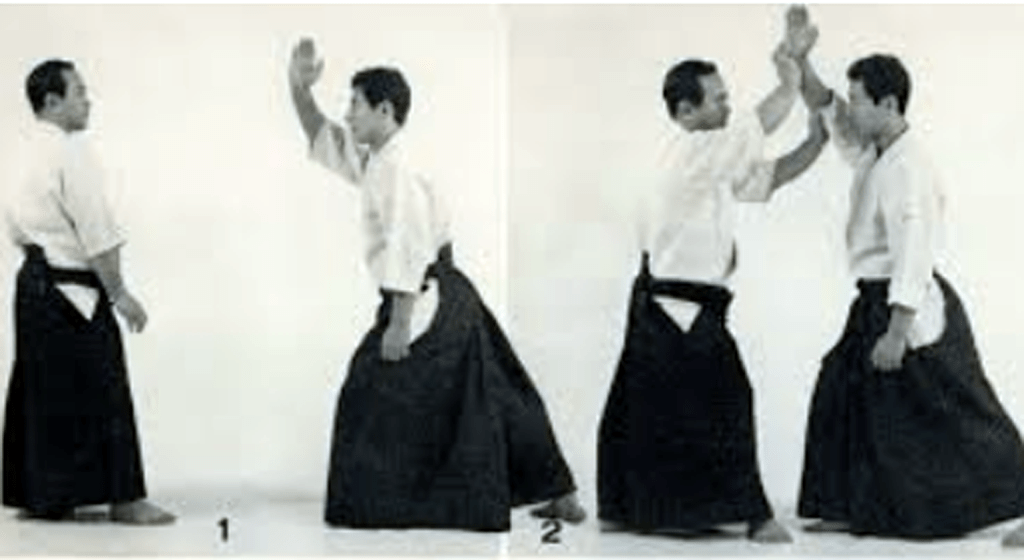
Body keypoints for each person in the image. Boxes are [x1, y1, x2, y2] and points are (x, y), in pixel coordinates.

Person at [287, 38, 585, 532]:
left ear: (384, 110)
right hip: (445, 290)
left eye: (355, 104)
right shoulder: (379, 159)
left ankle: (387, 501)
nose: (348, 114)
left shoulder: (396, 168)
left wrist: (400, 323)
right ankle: (562, 494)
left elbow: (410, 244)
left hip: (425, 292)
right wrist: (299, 89)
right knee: (499, 385)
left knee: (369, 386)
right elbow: (325, 138)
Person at [789, 6, 1024, 540]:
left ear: (888, 103)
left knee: (961, 410)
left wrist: (897, 331)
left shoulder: (908, 167)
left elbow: (915, 250)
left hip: (907, 303)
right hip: (872, 299)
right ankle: (849, 504)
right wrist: (800, 61)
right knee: (842, 389)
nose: (850, 108)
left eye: (859, 99)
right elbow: (827, 108)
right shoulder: (874, 150)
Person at [596, 12, 829, 543]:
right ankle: (754, 516)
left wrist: (815, 144)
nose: (727, 106)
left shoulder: (711, 161)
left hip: (681, 304)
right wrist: (789, 73)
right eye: (718, 99)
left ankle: (634, 507)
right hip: (676, 306)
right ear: (685, 111)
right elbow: (758, 124)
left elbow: (766, 178)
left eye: (727, 97)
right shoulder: (690, 152)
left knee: (654, 408)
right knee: (728, 398)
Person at [2, 59, 175, 525]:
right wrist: (120, 293)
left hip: (32, 285)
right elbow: (95, 230)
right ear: (52, 101)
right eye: (79, 91)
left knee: (43, 389)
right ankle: (125, 499)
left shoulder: (20, 151)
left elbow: (15, 225)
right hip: (70, 288)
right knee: (105, 383)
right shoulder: (70, 153)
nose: (88, 99)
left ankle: (44, 496)